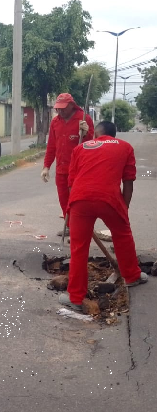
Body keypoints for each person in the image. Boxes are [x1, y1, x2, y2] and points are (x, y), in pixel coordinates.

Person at [58, 121, 148, 312]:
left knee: (79, 248)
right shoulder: (125, 147)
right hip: (109, 199)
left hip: (79, 200)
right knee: (122, 236)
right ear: (113, 135)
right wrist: (124, 210)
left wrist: (70, 209)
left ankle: (75, 298)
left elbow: (71, 184)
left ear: (96, 134)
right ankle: (132, 277)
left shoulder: (80, 148)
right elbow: (128, 182)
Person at [41, 93, 94, 236]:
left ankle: (81, 229)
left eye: (63, 108)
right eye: (58, 108)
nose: (60, 111)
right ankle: (70, 227)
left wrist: (87, 133)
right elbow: (52, 146)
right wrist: (46, 166)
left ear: (72, 105)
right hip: (61, 169)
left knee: (78, 202)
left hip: (79, 170)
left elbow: (92, 146)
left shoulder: (84, 119)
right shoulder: (55, 122)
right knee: (64, 200)